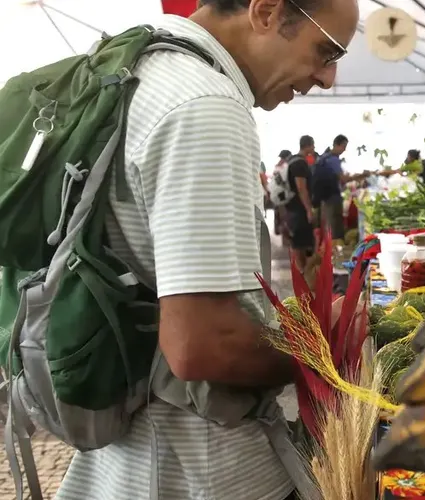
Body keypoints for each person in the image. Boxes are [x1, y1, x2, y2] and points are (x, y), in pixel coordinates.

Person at [55, 1, 359, 499]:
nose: (328, 78)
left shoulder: (132, 70)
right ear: (265, 11)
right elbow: (202, 346)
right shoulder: (204, 105)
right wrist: (331, 339)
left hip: (123, 457)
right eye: (326, 51)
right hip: (198, 470)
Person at [286, 135, 318, 269]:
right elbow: (301, 188)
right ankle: (302, 271)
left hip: (294, 208)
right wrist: (308, 210)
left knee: (299, 241)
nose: (314, 148)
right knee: (300, 243)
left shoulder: (292, 160)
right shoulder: (299, 163)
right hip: (298, 209)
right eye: (313, 145)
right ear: (308, 145)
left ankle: (302, 271)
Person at [313, 134, 348, 242]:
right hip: (333, 197)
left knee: (328, 225)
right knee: (335, 226)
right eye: (343, 146)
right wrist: (361, 176)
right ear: (337, 145)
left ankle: (329, 250)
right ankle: (335, 250)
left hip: (324, 197)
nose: (344, 150)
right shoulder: (333, 160)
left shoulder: (324, 157)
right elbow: (343, 179)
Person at [272, 149, 293, 235]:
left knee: (281, 217)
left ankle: (282, 234)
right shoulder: (283, 167)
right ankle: (286, 237)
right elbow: (281, 182)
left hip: (278, 196)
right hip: (282, 196)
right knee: (284, 217)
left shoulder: (277, 167)